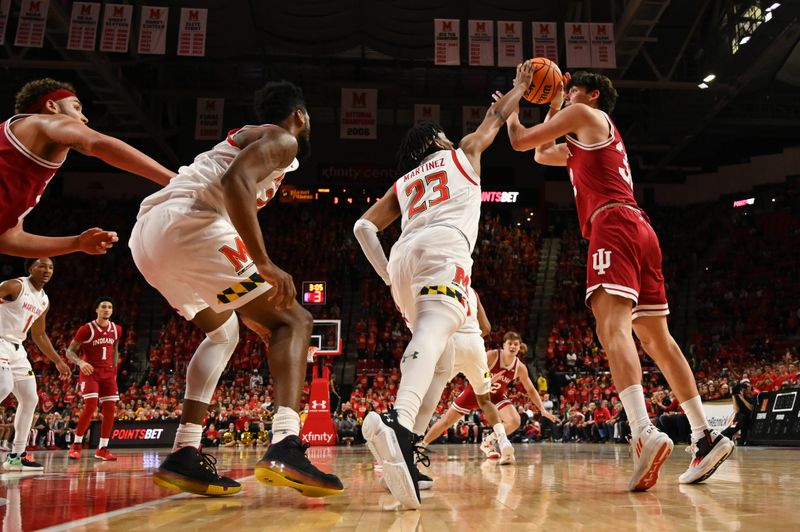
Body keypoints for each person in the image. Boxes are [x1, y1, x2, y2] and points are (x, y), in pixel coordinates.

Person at [500, 63, 733, 490]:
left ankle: (643, 432)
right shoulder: (584, 140)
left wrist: (512, 103)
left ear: (590, 95)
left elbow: (519, 140)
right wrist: (552, 101)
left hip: (612, 227)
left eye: (571, 94)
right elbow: (540, 152)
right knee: (657, 340)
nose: (567, 98)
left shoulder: (588, 115)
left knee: (612, 329)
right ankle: (705, 435)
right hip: (640, 229)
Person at [128, 80, 343, 498]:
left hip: (149, 239)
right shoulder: (283, 138)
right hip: (192, 225)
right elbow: (234, 183)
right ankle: (285, 443)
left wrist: (247, 297)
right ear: (300, 115)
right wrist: (262, 261)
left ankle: (184, 450)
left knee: (223, 331)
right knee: (294, 320)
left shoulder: (252, 135)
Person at [352, 70, 533, 509]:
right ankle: (397, 422)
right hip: (442, 249)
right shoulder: (463, 154)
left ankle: (408, 448)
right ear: (436, 140)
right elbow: (493, 116)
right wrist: (522, 90)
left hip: (402, 260)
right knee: (433, 335)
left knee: (442, 361)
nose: (454, 138)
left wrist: (387, 276)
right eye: (445, 135)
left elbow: (362, 227)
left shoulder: (404, 183)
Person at [0, 78, 174, 258]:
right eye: (76, 107)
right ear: (52, 107)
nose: (84, 118)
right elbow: (98, 144)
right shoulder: (41, 122)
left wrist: (77, 243)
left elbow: (8, 239)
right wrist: (175, 180)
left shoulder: (20, 155)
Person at [423, 331, 556, 461]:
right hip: (476, 392)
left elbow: (531, 390)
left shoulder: (520, 367)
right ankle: (422, 445)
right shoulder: (492, 356)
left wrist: (542, 409)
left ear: (519, 347)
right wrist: (488, 379)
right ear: (503, 345)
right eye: (510, 343)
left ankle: (488, 442)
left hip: (496, 396)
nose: (513, 347)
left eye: (516, 344)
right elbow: (474, 372)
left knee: (515, 420)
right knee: (446, 422)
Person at [419, 292, 516, 467]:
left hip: (454, 344)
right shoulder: (473, 293)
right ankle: (503, 440)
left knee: (426, 392)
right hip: (475, 346)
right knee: (485, 401)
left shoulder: (444, 285)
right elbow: (486, 328)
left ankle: (417, 444)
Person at [0, 257, 70, 471]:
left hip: (17, 348)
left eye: (50, 267)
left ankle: (16, 455)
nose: (47, 270)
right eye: (41, 265)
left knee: (30, 398)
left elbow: (39, 334)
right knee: (3, 386)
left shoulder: (44, 300)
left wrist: (57, 360)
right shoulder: (14, 285)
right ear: (30, 268)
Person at [65, 296, 122, 461]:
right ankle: (76, 444)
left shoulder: (117, 329)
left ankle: (102, 449)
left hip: (108, 373)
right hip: (90, 371)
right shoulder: (86, 329)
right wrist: (80, 362)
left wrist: (114, 369)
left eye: (110, 307)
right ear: (96, 309)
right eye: (103, 306)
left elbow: (115, 349)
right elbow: (70, 352)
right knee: (91, 407)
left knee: (110, 409)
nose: (107, 310)